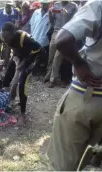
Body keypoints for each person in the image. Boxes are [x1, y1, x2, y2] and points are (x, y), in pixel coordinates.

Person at [47, 0, 102, 170]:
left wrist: (78, 63)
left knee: (64, 164)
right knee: (90, 160)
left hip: (87, 95)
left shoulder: (98, 6)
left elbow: (62, 39)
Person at [0, 22, 42, 120]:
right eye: (4, 39)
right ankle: (5, 101)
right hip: (17, 56)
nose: (6, 41)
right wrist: (1, 60)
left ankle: (23, 112)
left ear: (13, 33)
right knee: (6, 79)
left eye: (7, 39)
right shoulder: (3, 36)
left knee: (22, 84)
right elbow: (1, 47)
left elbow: (39, 49)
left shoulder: (24, 38)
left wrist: (26, 62)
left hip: (30, 59)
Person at [44, 0, 78, 88]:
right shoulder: (56, 4)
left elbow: (76, 21)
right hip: (56, 31)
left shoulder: (73, 6)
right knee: (51, 56)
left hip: (66, 33)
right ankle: (48, 75)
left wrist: (67, 16)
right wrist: (50, 14)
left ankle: (52, 79)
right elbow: (52, 21)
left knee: (57, 57)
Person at [29, 0, 51, 71]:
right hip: (35, 37)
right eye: (43, 4)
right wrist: (32, 34)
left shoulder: (51, 13)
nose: (45, 6)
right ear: (41, 4)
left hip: (44, 39)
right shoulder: (36, 12)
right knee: (33, 56)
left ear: (49, 4)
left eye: (47, 4)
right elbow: (31, 23)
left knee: (43, 57)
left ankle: (41, 70)